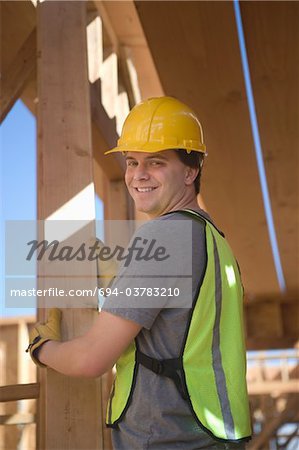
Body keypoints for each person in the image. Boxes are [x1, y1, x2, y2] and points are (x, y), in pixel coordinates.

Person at [27, 97, 252, 449]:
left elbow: (91, 359)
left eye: (157, 162)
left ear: (191, 171)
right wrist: (126, 276)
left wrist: (42, 348)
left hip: (165, 439)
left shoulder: (166, 235)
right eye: (132, 161)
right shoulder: (213, 240)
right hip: (207, 437)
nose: (138, 174)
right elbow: (180, 329)